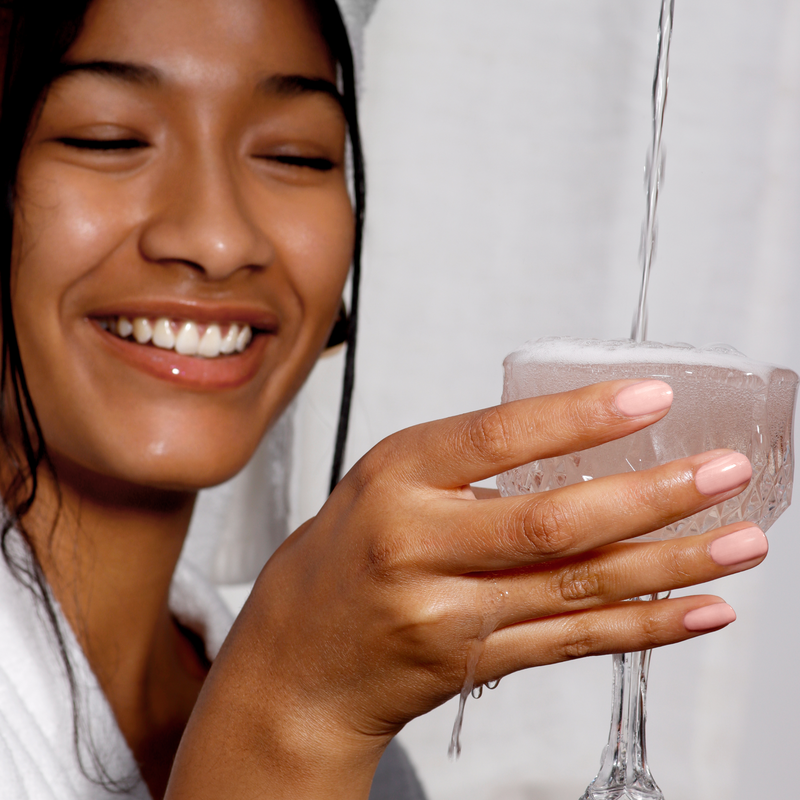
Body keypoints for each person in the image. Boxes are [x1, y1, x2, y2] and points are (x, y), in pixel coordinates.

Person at [0, 0, 769, 798]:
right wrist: (293, 716)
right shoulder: (307, 702)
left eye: (295, 156)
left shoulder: (365, 760)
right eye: (107, 140)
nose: (220, 239)